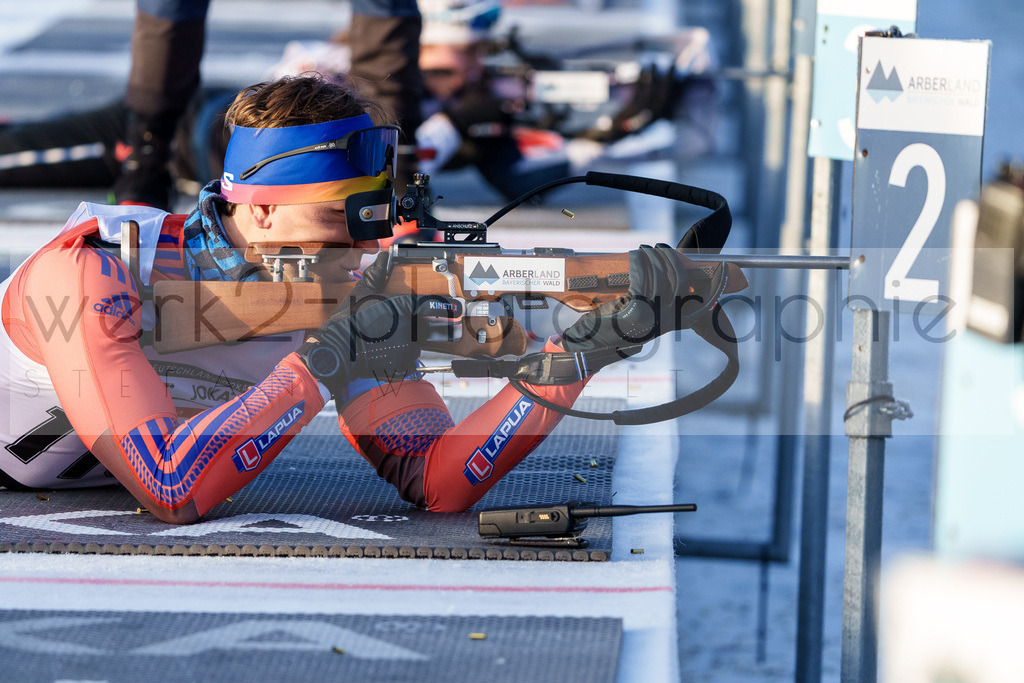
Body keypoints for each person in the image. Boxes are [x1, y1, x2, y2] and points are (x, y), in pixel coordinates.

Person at [0, 74, 701, 523]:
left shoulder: (346, 290)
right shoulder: (95, 271)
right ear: (264, 210)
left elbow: (439, 480)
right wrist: (321, 362)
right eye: (343, 219)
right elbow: (170, 486)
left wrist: (571, 360)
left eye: (378, 220)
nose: (369, 247)